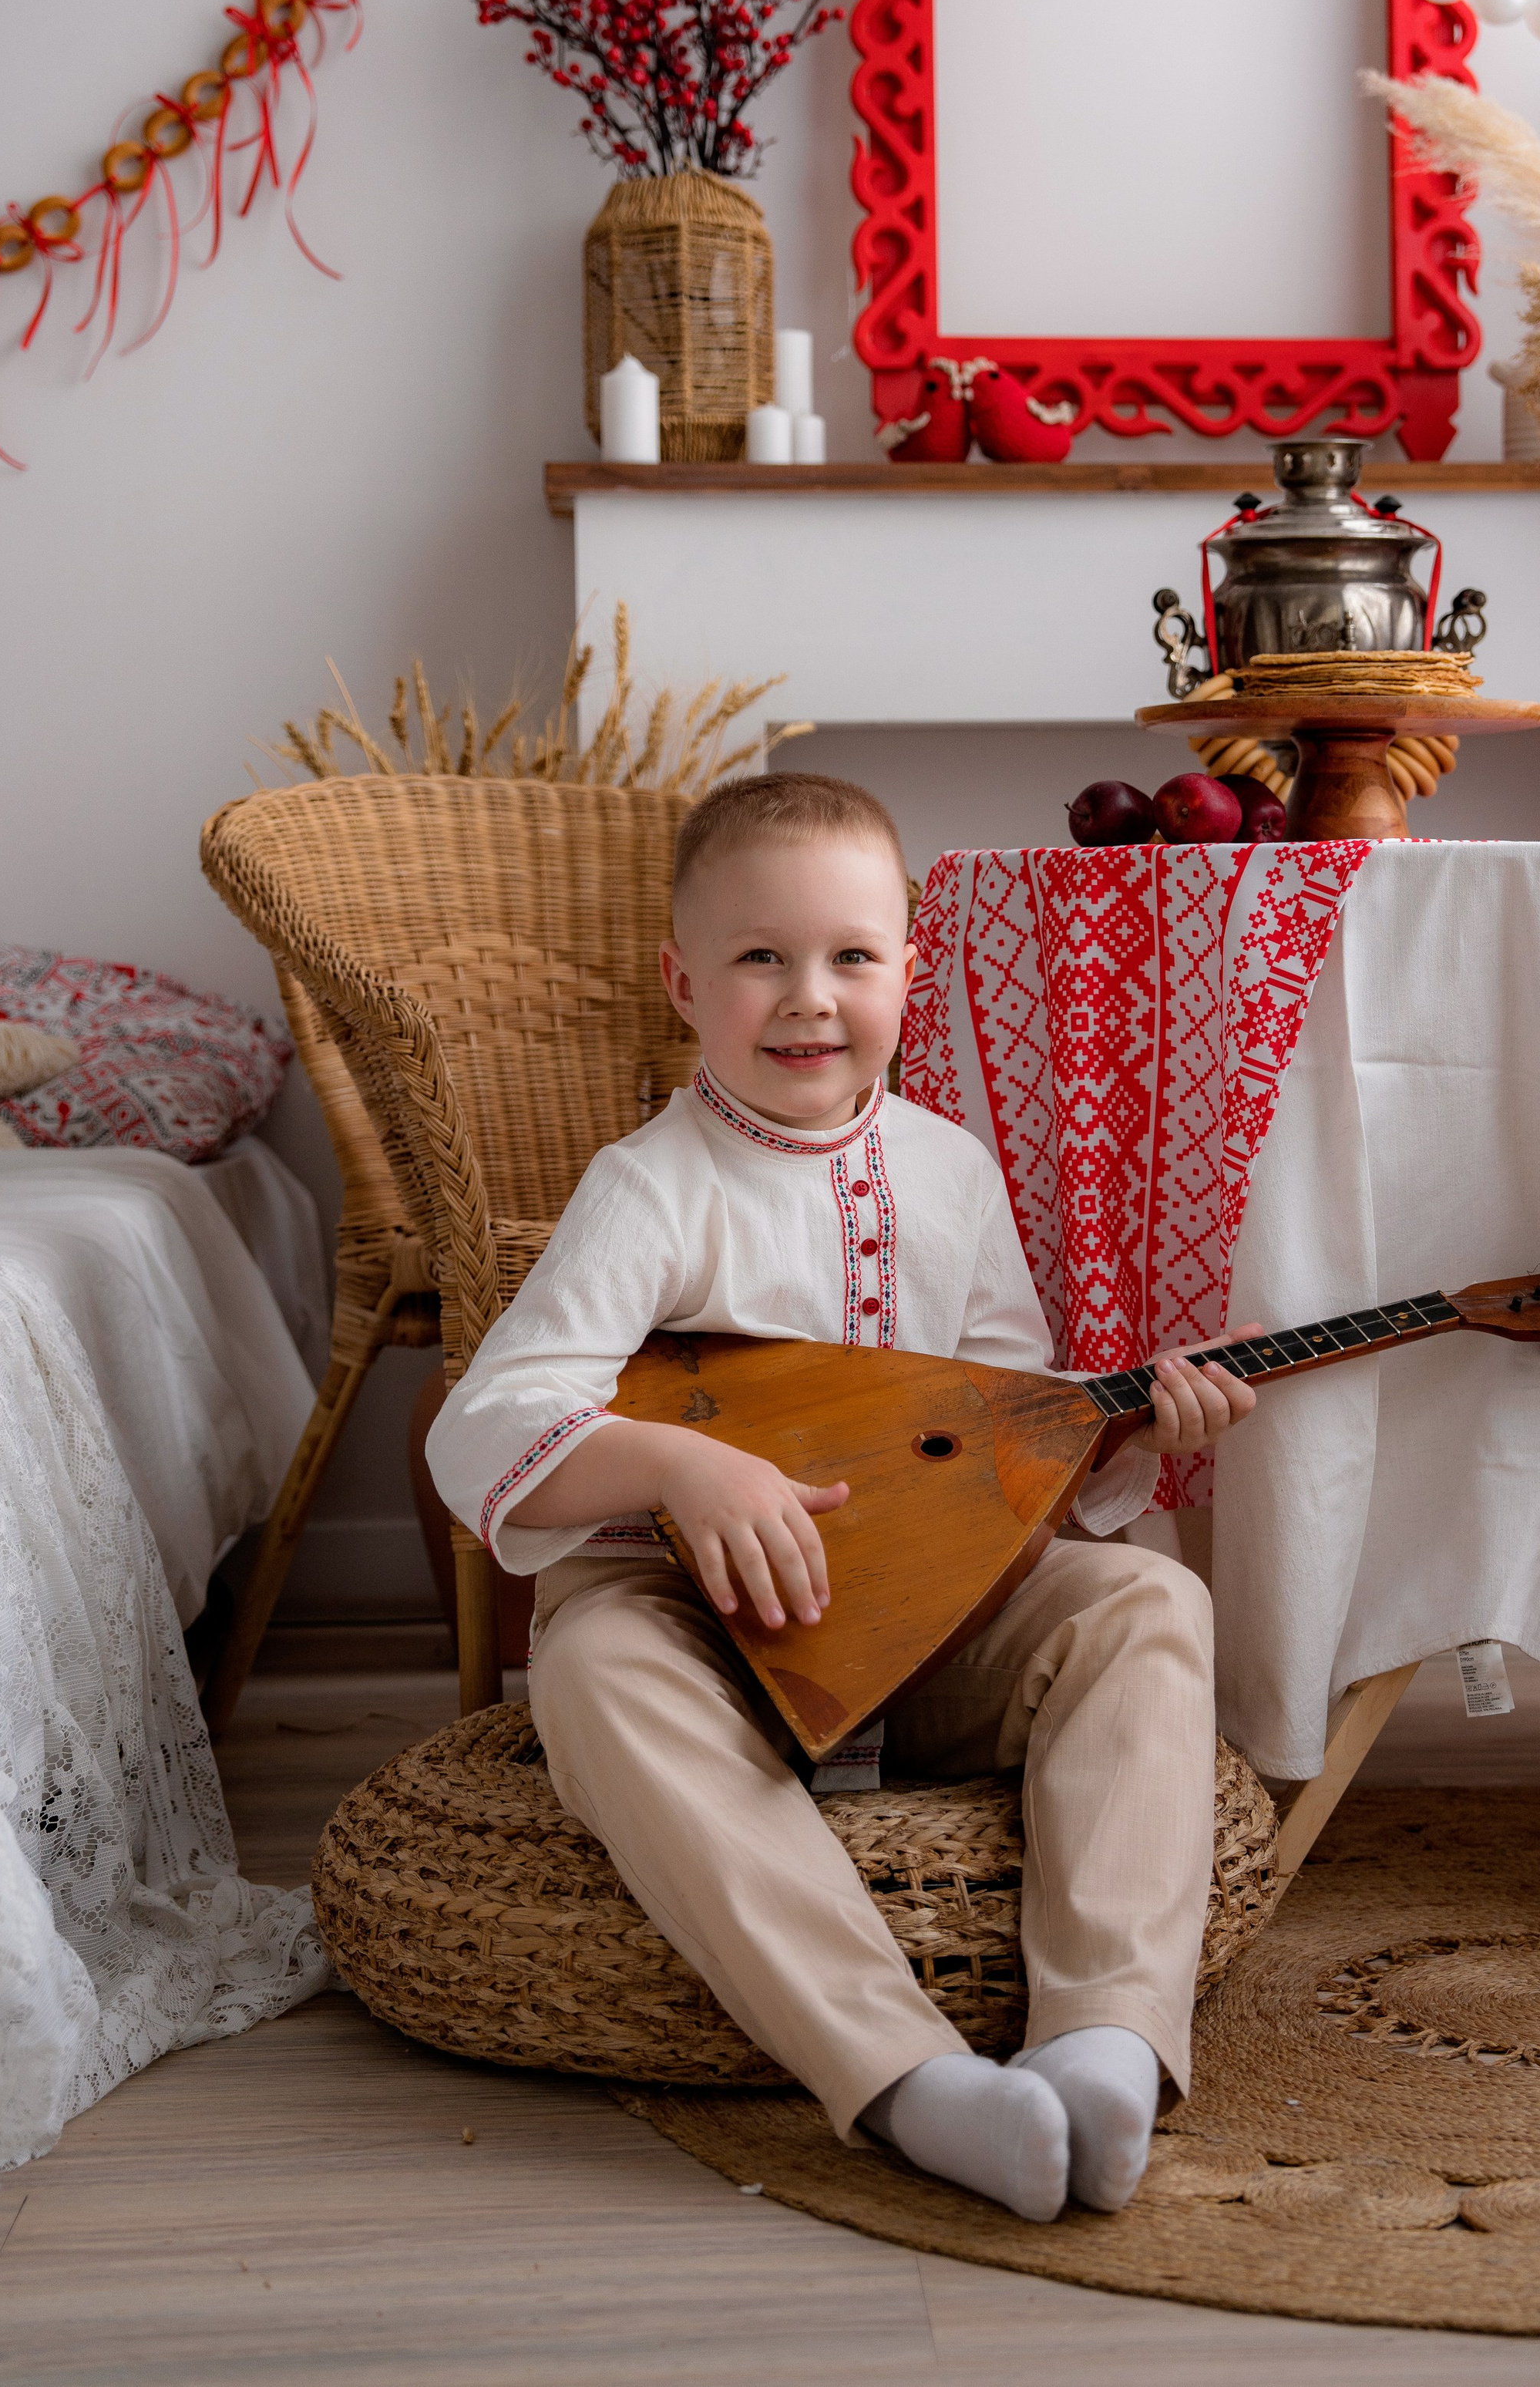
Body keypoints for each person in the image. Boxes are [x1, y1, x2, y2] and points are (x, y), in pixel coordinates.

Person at [427, 772, 1254, 2224]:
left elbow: (1004, 1432)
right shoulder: (650, 1186)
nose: (810, 998)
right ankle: (907, 2077)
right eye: (761, 957)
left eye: (852, 957)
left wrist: (1118, 1436)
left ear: (909, 973)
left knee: (1146, 1597)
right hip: (693, 1623)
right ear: (685, 981)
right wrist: (683, 1463)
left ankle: (1106, 2041)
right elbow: (485, 1422)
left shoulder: (951, 1172)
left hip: (922, 1628)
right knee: (596, 1667)